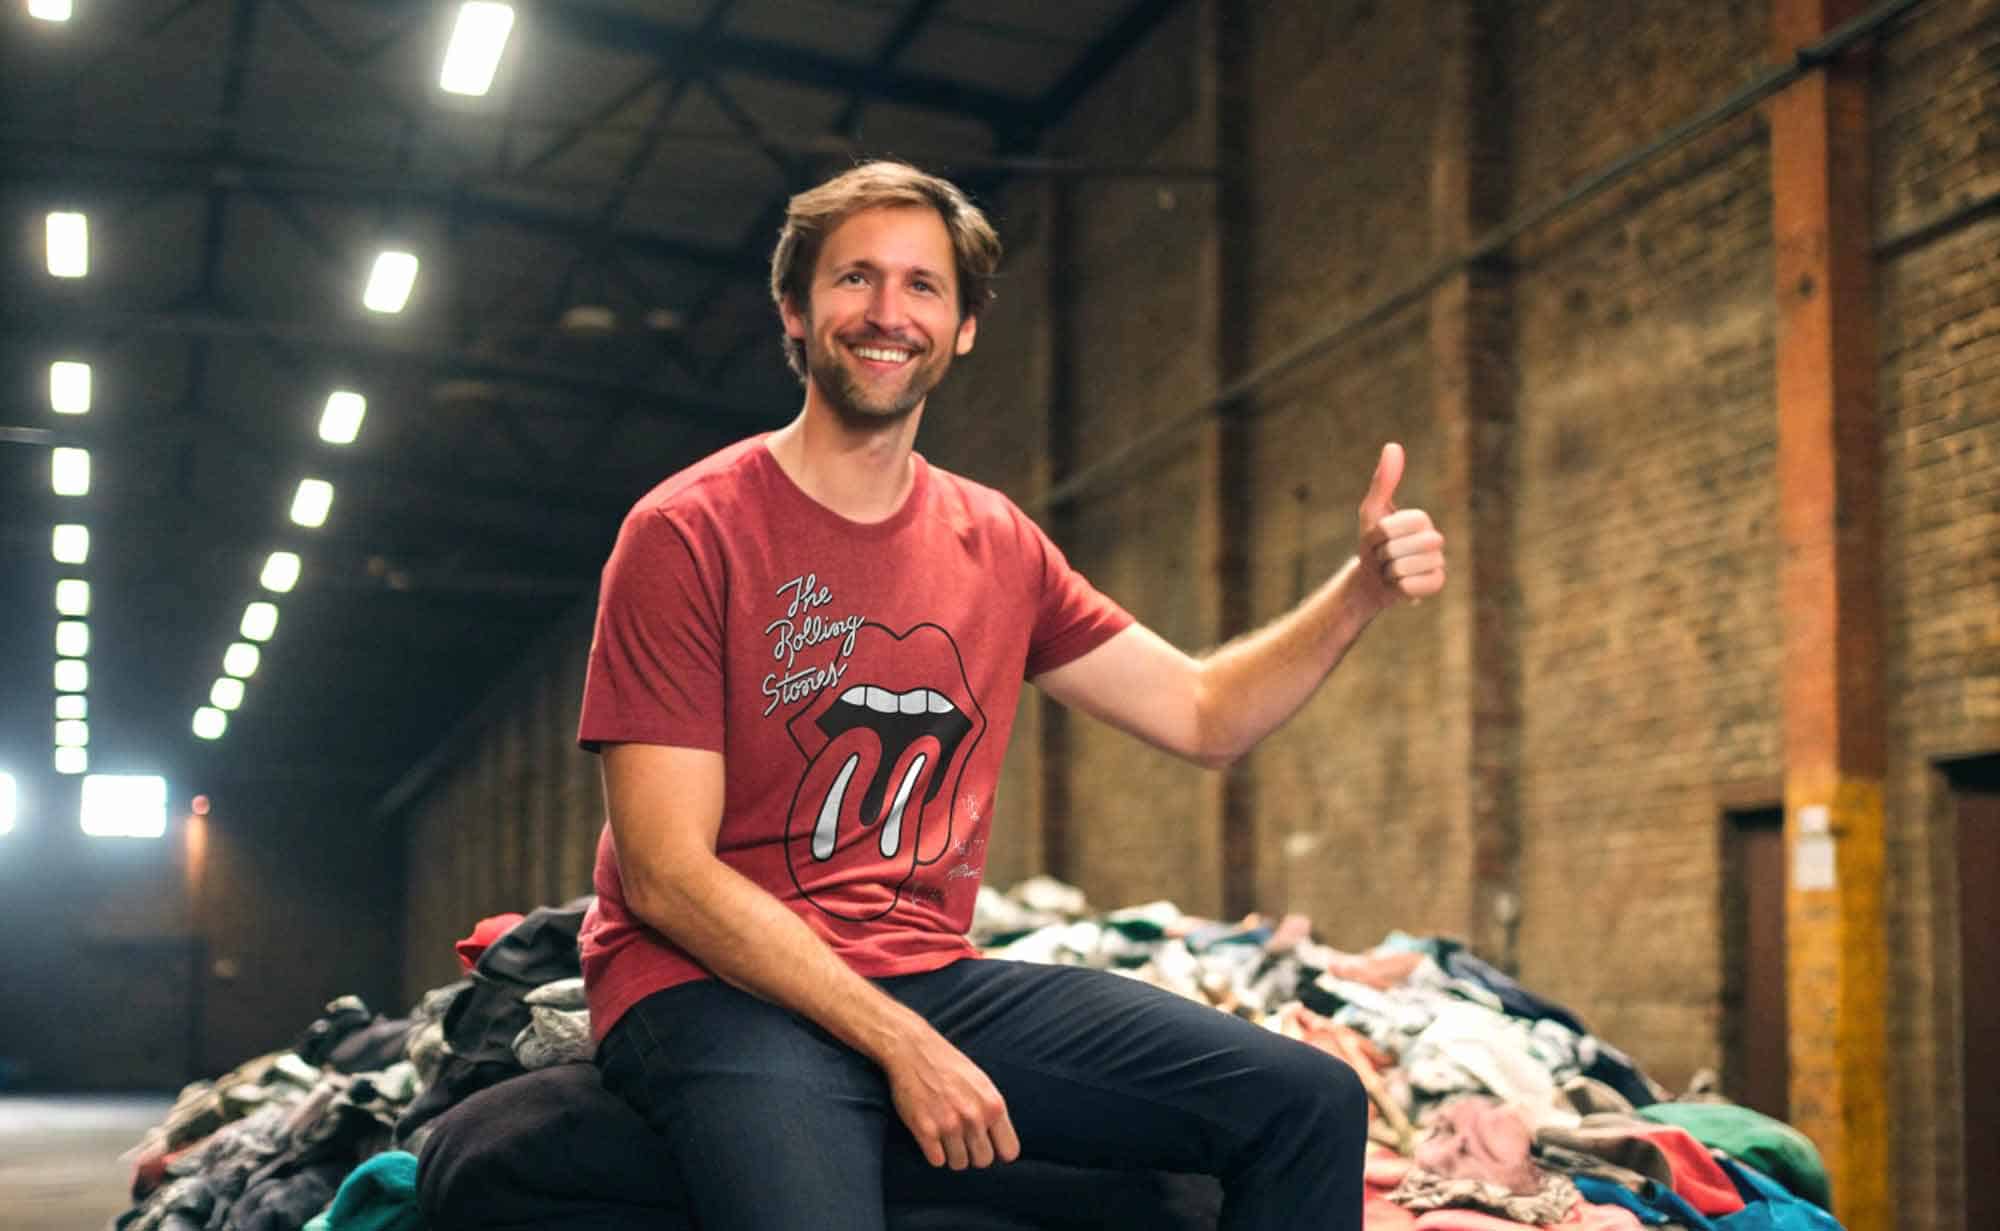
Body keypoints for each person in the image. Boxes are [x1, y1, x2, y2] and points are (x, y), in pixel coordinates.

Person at [576, 161, 1447, 1231]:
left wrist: (1356, 593)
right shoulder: (685, 533)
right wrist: (899, 1044)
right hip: (707, 991)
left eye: (923, 286)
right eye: (854, 279)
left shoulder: (994, 542)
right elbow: (664, 875)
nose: (888, 313)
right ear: (794, 312)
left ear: (965, 326)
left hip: (924, 974)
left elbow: (1203, 713)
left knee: (1304, 1099)